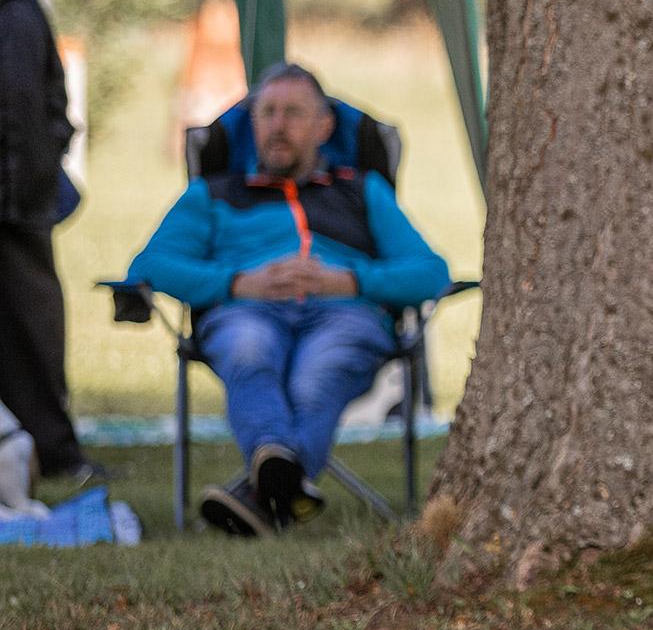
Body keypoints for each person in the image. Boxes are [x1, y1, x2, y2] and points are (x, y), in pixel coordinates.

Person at [126, 63, 449, 536]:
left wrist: (349, 282)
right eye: (266, 113)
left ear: (324, 127)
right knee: (249, 352)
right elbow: (149, 266)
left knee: (318, 378)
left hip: (344, 316)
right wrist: (238, 283)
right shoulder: (212, 194)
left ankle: (260, 494)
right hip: (246, 312)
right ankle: (278, 488)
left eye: (293, 114)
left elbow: (429, 272)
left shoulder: (362, 191)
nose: (277, 125)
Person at [0, 0, 97, 489]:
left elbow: (50, 84)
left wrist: (51, 143)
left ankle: (53, 452)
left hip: (25, 196)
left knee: (35, 332)